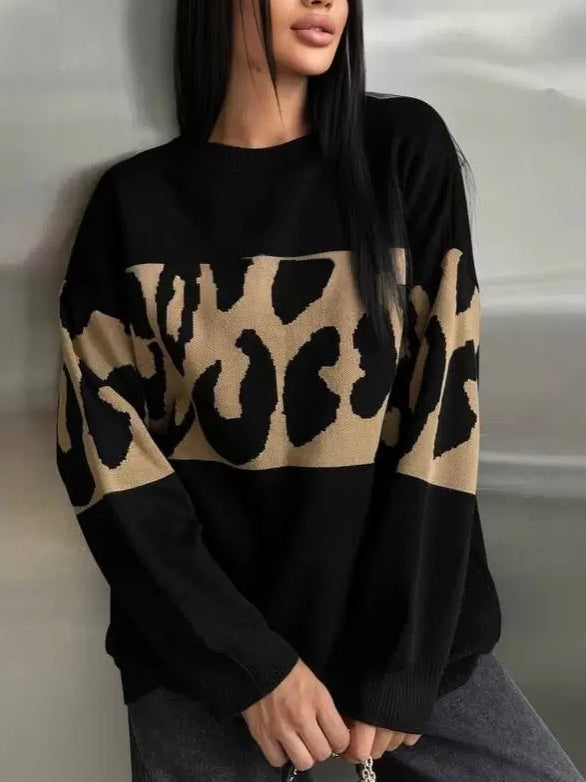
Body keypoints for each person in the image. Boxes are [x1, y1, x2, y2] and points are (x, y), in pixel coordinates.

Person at [54, 1, 585, 781]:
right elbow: (108, 464)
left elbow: (443, 415)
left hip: (410, 642)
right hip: (205, 663)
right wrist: (249, 666)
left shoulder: (402, 151)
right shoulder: (131, 206)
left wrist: (401, 665)